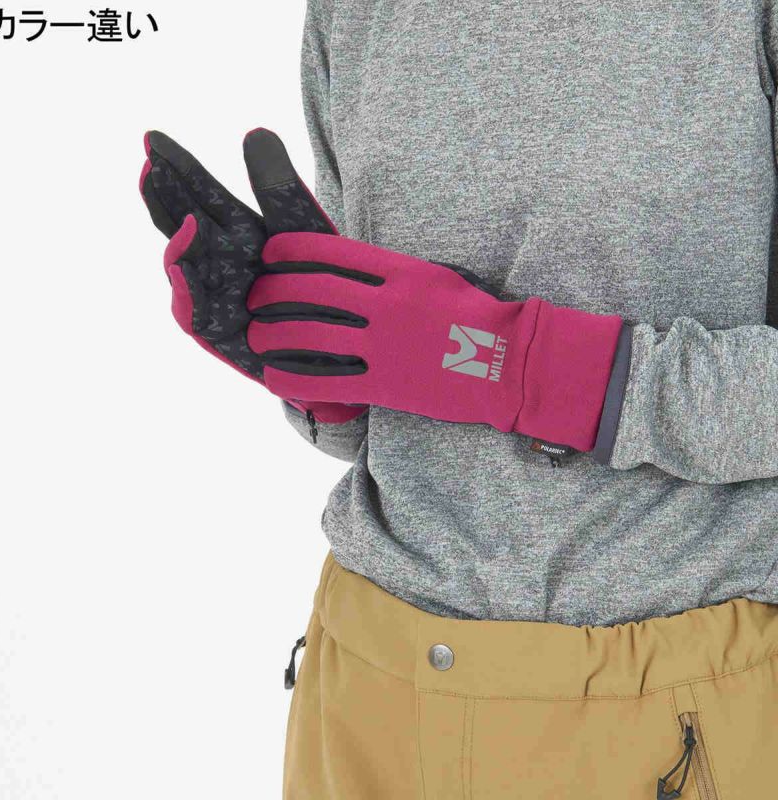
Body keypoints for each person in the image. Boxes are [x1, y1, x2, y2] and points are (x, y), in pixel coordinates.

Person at [141, 2, 778, 797]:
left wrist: (521, 364)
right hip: (370, 688)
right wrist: (315, 369)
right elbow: (393, 400)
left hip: (666, 720)